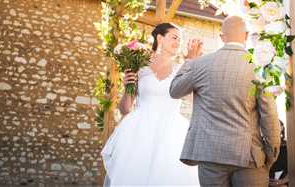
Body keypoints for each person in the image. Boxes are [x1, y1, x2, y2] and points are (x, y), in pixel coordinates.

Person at [170, 16, 281, 187]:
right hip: (249, 155)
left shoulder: (200, 64)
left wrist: (190, 60)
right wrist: (270, 153)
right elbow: (269, 115)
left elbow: (175, 90)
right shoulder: (259, 67)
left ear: (222, 37)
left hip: (210, 155)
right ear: (246, 35)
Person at [101, 23, 202, 186]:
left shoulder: (180, 70)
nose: (178, 42)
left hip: (171, 133)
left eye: (181, 40)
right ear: (160, 38)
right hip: (139, 131)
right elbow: (125, 108)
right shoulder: (139, 67)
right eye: (174, 37)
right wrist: (128, 87)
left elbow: (194, 100)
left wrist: (192, 66)